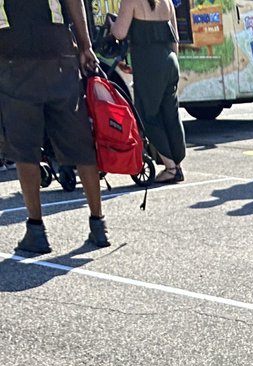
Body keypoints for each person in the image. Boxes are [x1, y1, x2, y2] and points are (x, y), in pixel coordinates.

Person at [0, 0, 109, 254]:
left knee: (25, 147)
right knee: (80, 141)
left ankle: (36, 231)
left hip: (13, 56)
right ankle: (98, 224)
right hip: (59, 52)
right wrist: (85, 45)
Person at [108, 0, 186, 185]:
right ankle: (178, 164)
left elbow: (120, 32)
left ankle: (170, 168)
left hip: (148, 63)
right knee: (171, 114)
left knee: (147, 114)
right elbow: (174, 39)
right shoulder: (167, 2)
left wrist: (111, 24)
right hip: (169, 61)